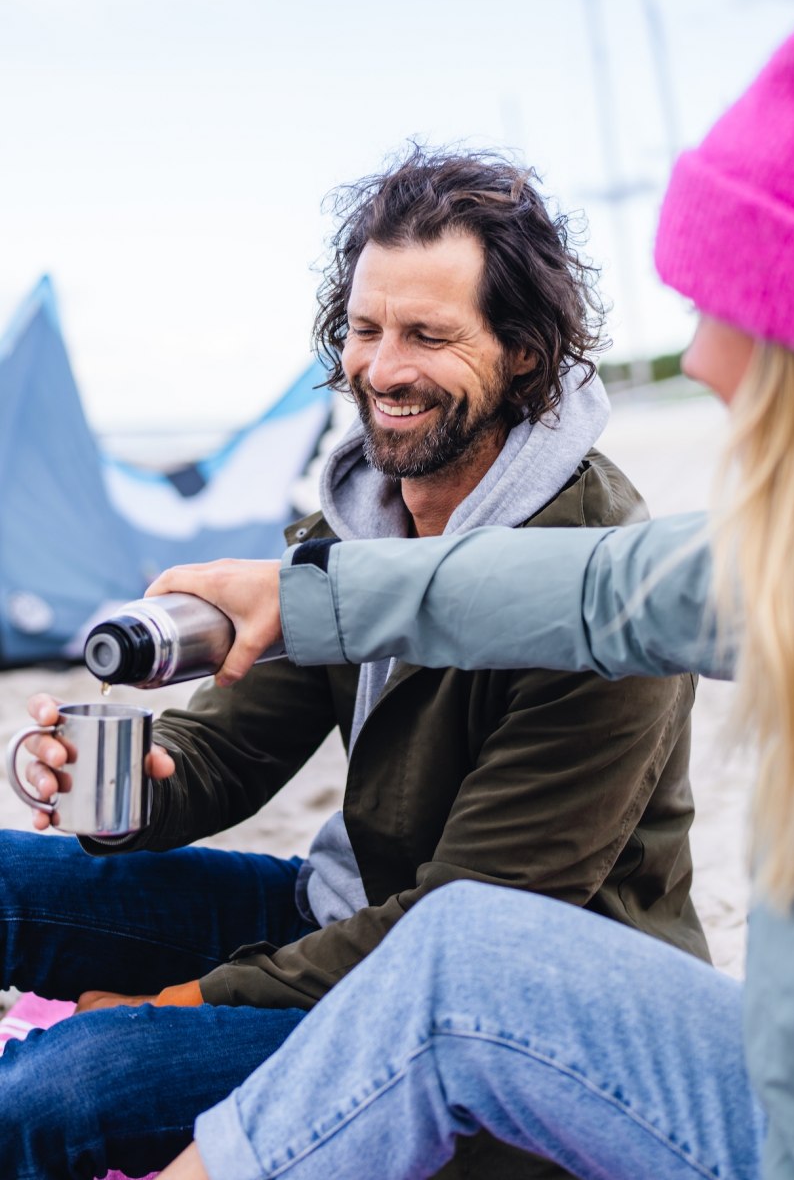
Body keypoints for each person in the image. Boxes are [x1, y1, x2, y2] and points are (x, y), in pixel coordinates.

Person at [151, 0, 794, 1180]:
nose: (701, 362)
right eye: (368, 332)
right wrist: (305, 597)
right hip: (789, 1088)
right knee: (461, 955)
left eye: (729, 308)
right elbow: (589, 593)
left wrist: (182, 1001)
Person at [0, 148, 704, 1180]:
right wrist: (125, 784)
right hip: (341, 918)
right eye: (365, 330)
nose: (381, 368)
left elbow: (466, 932)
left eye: (428, 335)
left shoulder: (601, 574)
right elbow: (231, 752)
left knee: (60, 1089)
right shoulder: (351, 524)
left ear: (522, 350)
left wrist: (180, 1003)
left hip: (505, 1020)